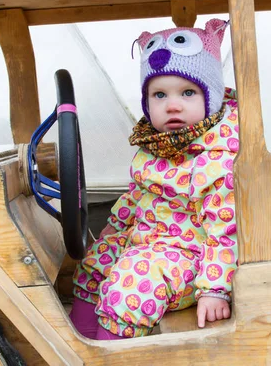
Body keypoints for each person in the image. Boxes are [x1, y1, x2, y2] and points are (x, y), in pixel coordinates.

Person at [69, 19, 239, 340]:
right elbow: (134, 199)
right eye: (159, 95)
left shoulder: (216, 157)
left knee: (129, 286)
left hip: (191, 257)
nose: (172, 105)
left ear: (211, 98)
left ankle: (110, 354)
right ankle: (82, 342)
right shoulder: (153, 146)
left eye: (188, 92)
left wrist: (215, 288)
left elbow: (225, 229)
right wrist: (113, 235)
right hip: (145, 244)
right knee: (94, 265)